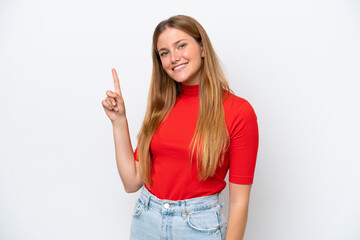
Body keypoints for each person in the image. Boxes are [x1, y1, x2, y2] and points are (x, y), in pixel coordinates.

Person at [101, 15, 259, 240]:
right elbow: (132, 181)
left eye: (181, 45)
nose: (174, 58)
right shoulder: (161, 108)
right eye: (164, 53)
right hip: (146, 220)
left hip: (198, 227)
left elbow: (239, 201)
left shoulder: (238, 112)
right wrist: (118, 121)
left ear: (202, 48)